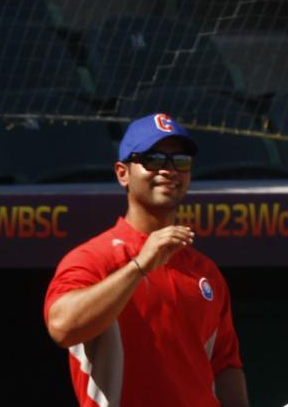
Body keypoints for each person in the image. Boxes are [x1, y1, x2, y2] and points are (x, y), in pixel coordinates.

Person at [44, 113, 248, 407]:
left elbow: (225, 365)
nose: (168, 171)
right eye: (153, 160)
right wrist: (139, 267)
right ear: (122, 173)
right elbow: (62, 327)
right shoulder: (93, 258)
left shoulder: (205, 271)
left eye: (180, 161)